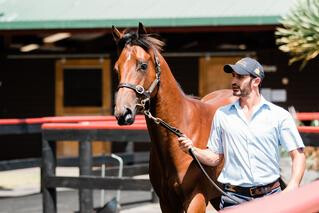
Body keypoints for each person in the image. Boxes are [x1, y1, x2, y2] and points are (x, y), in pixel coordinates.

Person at [178, 57, 306, 209]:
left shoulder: (279, 115)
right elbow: (214, 157)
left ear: (256, 81)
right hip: (233, 199)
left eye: (240, 77)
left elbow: (298, 155)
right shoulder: (222, 115)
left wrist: (293, 185)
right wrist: (192, 149)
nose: (234, 81)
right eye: (233, 76)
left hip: (271, 197)